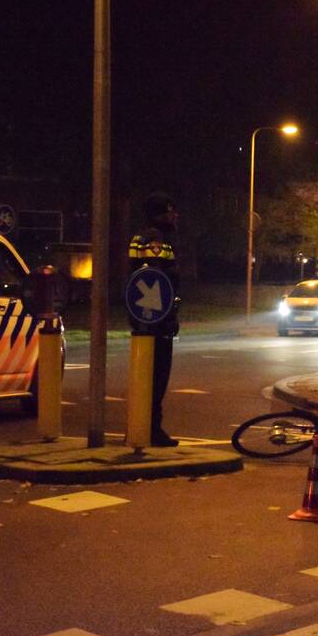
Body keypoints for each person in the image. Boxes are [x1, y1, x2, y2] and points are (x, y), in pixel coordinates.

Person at [128, 192, 181, 447]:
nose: (175, 216)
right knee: (156, 378)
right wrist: (166, 315)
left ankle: (140, 427)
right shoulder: (157, 241)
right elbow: (156, 283)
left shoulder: (141, 238)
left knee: (146, 378)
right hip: (156, 321)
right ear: (160, 214)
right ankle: (151, 430)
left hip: (144, 319)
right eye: (171, 211)